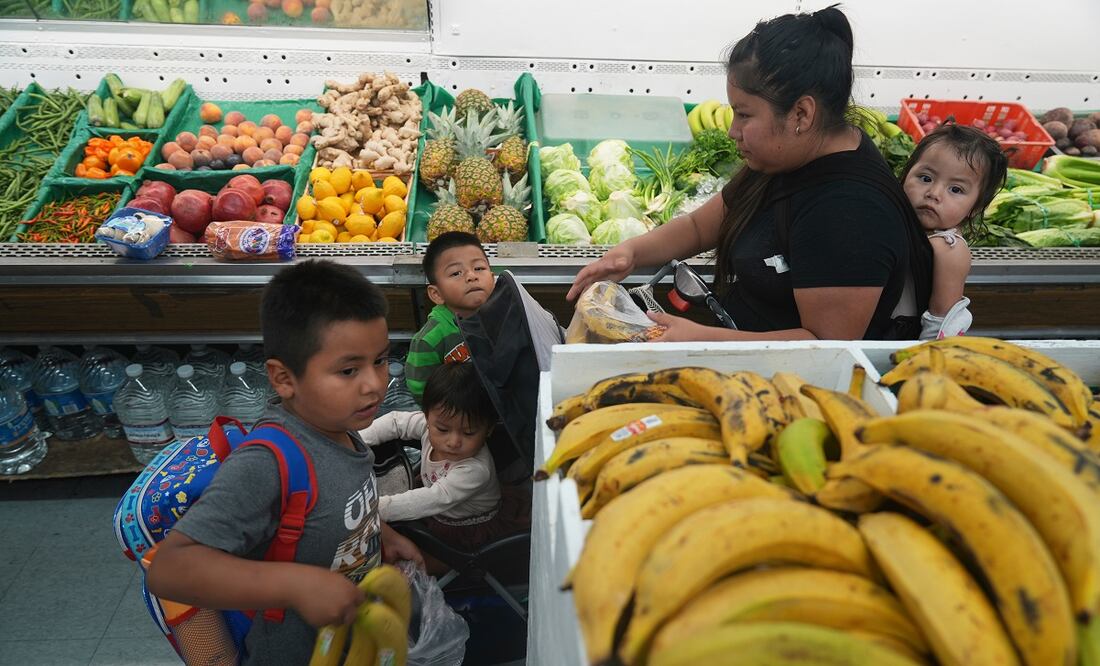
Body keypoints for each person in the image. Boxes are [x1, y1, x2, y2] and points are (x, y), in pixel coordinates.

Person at [568, 6, 933, 341]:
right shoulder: (784, 157)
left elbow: (824, 348)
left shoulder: (851, 212)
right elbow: (699, 227)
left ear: (801, 114)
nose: (732, 130)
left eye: (744, 114)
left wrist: (701, 339)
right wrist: (630, 253)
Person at [147, 259, 423, 665]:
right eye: (349, 370)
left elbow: (336, 505)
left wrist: (382, 535)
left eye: (380, 360)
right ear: (283, 379)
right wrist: (297, 585)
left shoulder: (340, 424)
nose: (374, 384)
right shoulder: (268, 463)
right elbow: (170, 569)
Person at [361, 362, 529, 553]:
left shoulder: (475, 470)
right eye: (442, 429)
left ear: (489, 429)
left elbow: (430, 500)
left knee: (419, 556)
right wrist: (356, 439)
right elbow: (395, 422)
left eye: (468, 433)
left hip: (463, 528)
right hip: (436, 500)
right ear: (427, 417)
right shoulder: (428, 425)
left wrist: (372, 510)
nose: (453, 441)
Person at [900, 124, 1007, 339]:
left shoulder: (949, 249)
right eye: (925, 178)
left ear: (975, 208)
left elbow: (940, 323)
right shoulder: (900, 222)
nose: (934, 193)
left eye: (955, 189)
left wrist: (924, 356)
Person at [405, 231, 495, 403]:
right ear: (437, 294)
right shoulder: (430, 339)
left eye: (479, 268)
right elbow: (420, 389)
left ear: (493, 279)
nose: (471, 276)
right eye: (456, 273)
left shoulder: (503, 318)